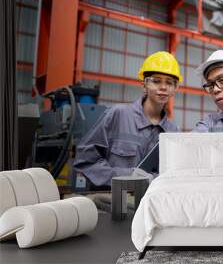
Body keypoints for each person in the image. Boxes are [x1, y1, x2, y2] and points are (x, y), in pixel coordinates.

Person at [73, 51, 182, 186]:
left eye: (170, 83)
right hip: (113, 200)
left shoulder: (173, 131)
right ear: (144, 85)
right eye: (156, 81)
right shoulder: (118, 115)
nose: (163, 87)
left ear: (174, 89)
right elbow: (85, 162)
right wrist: (126, 176)